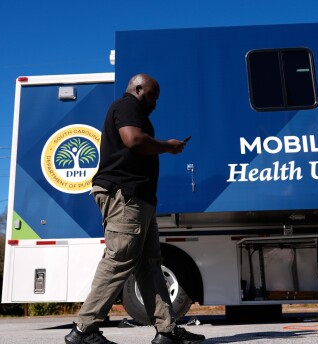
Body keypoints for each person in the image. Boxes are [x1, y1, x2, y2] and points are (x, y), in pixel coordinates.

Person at [65, 74, 205, 344]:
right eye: (152, 96)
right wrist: (168, 147)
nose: (155, 103)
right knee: (119, 259)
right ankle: (84, 330)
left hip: (139, 200)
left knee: (151, 266)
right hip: (126, 197)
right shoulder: (127, 106)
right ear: (138, 89)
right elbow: (133, 140)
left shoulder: (135, 110)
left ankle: (166, 331)